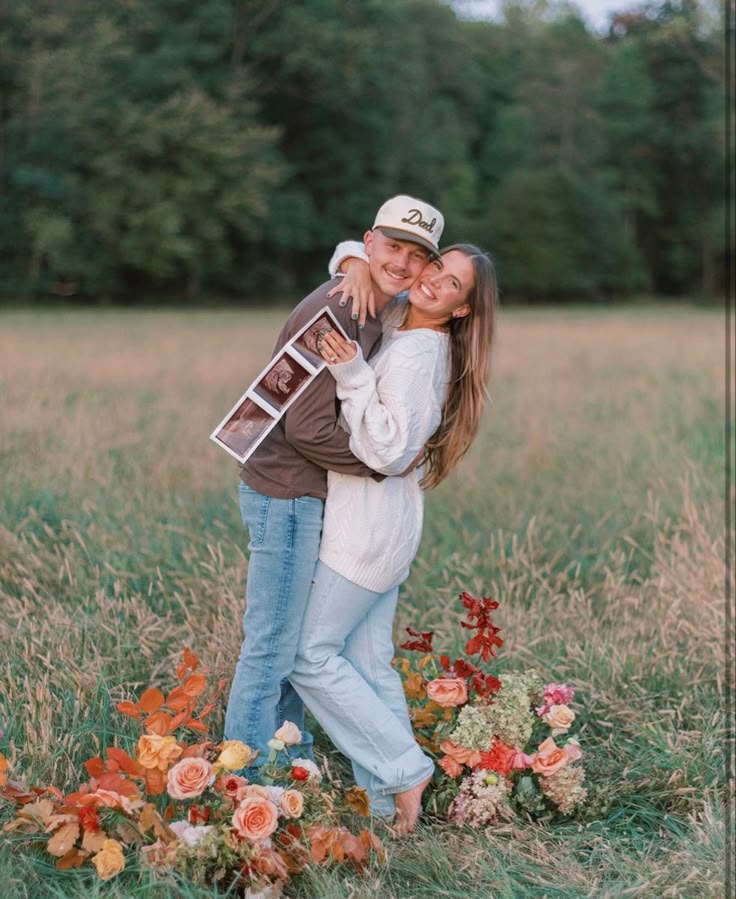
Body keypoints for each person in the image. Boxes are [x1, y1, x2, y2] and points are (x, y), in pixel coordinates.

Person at [223, 195, 445, 769]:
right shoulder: (342, 309)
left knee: (295, 649)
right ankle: (244, 784)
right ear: (370, 243)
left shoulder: (371, 298)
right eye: (392, 247)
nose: (401, 263)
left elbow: (356, 256)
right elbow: (305, 427)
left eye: (417, 255)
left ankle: (286, 770)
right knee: (273, 650)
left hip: (305, 492)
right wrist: (383, 463)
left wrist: (350, 261)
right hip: (286, 492)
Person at [290, 243, 497, 835]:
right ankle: (386, 806)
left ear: (460, 310)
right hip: (386, 528)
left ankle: (405, 769)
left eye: (451, 284)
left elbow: (387, 450)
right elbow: (363, 250)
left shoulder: (415, 354)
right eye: (436, 267)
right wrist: (352, 263)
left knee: (310, 655)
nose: (431, 281)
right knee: (368, 662)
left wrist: (351, 374)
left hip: (366, 532)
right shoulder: (405, 330)